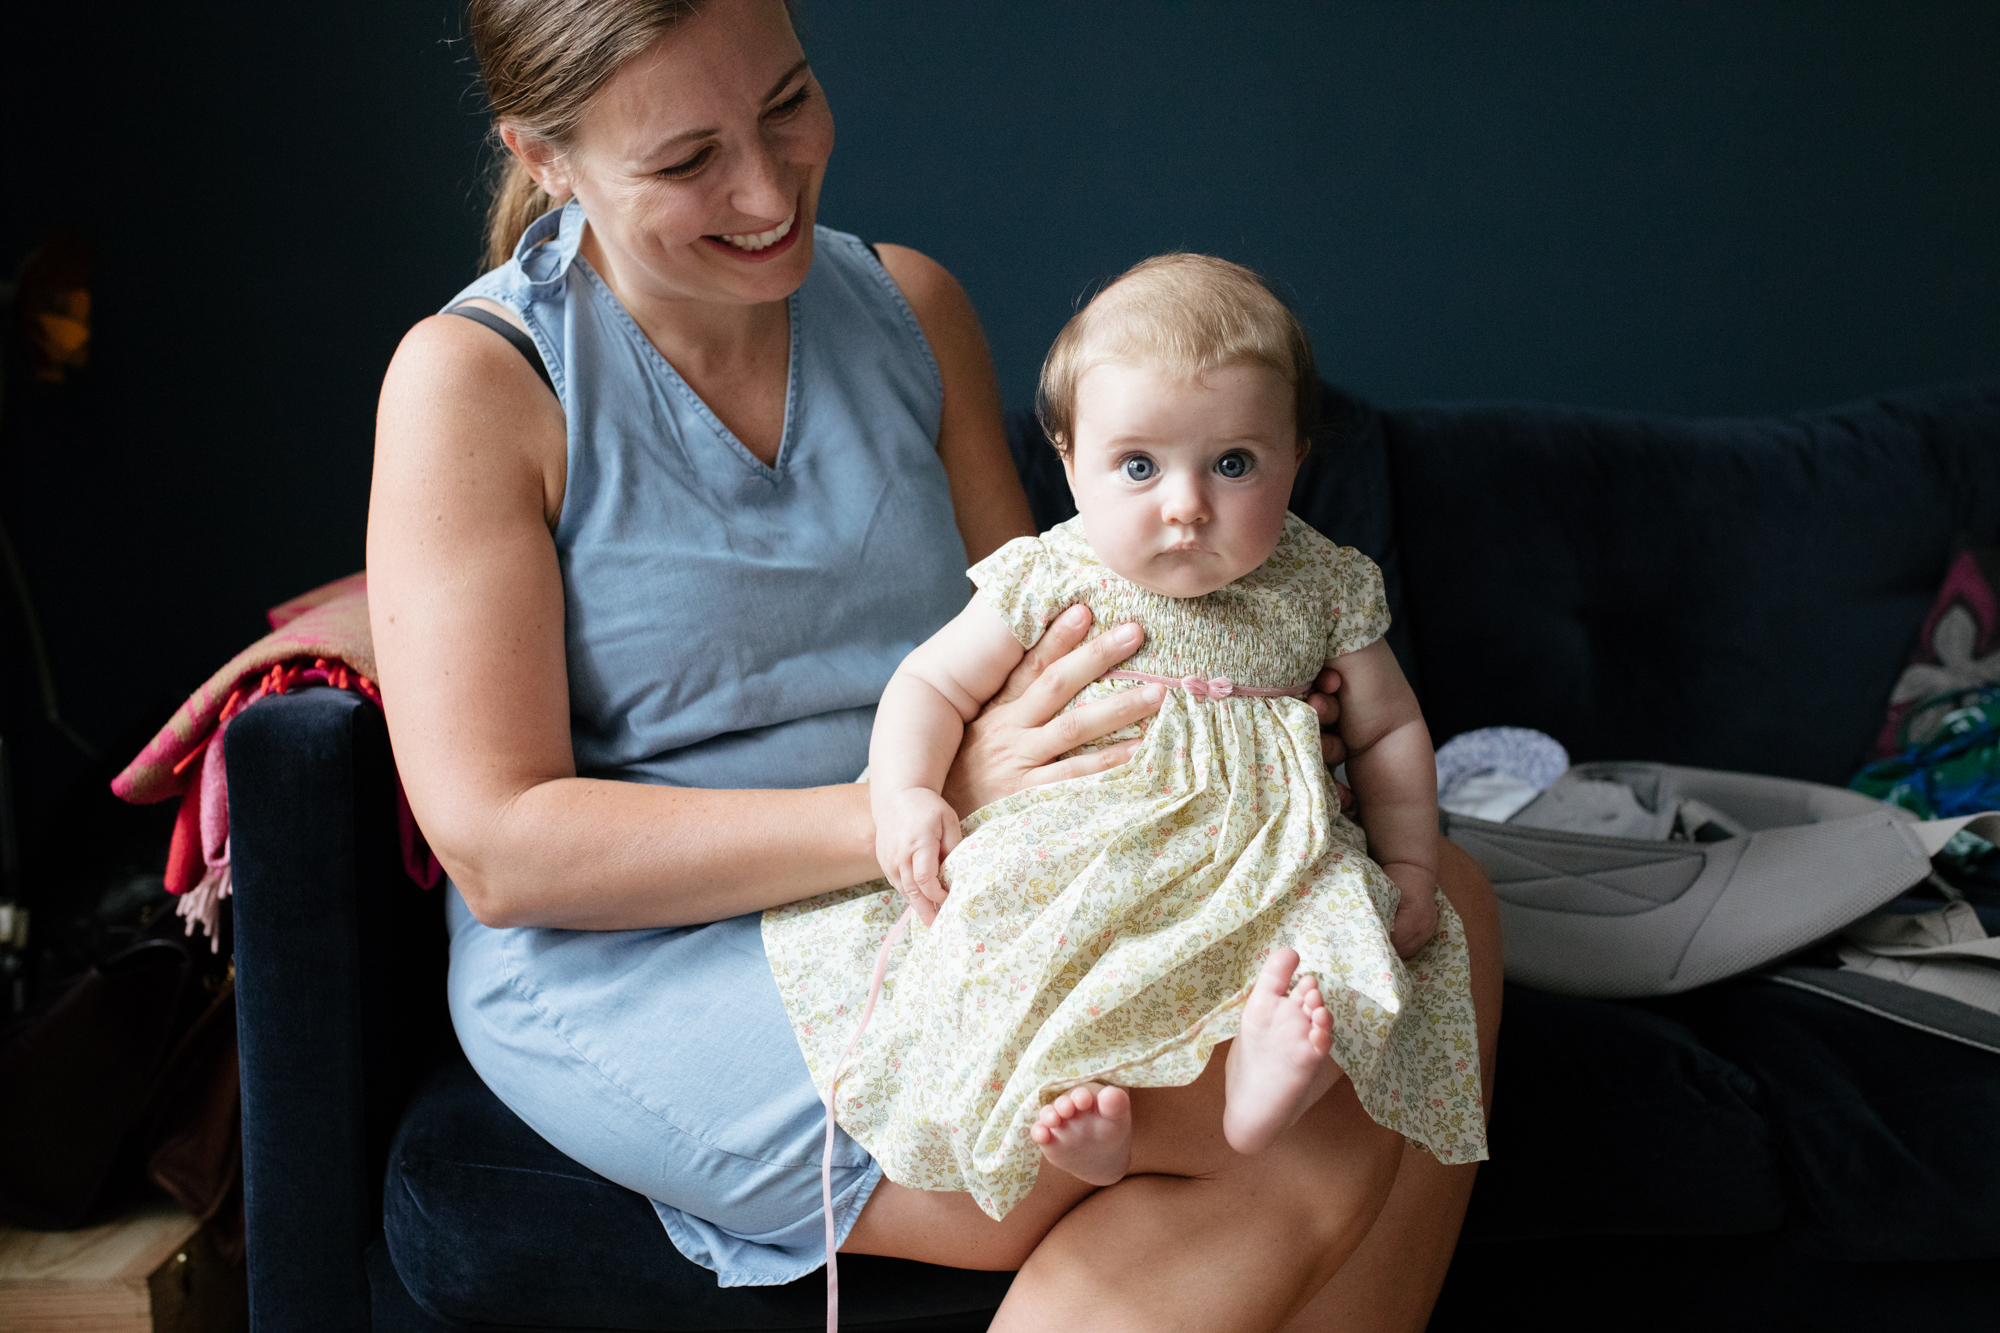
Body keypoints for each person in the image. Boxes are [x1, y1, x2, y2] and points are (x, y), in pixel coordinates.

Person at [366, 1, 1501, 1328]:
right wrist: (917, 801)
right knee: (1323, 1101)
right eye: (687, 161)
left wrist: (1237, 701)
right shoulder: (476, 380)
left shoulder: (911, 307)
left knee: (1444, 910)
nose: (767, 190)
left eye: (787, 104)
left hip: (959, 868)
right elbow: (503, 851)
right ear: (543, 157)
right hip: (662, 946)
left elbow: (1051, 625)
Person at [766, 254, 1485, 1222]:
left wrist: (1410, 863)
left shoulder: (1323, 583)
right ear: (1070, 461)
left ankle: (1268, 1081)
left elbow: (1389, 725)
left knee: (1349, 939)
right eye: (1139, 466)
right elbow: (930, 683)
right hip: (1089, 850)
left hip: (1266, 860)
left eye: (1233, 464)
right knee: (1027, 957)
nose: (1185, 505)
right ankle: (1093, 1125)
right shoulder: (1051, 574)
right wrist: (905, 794)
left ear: (1295, 458)